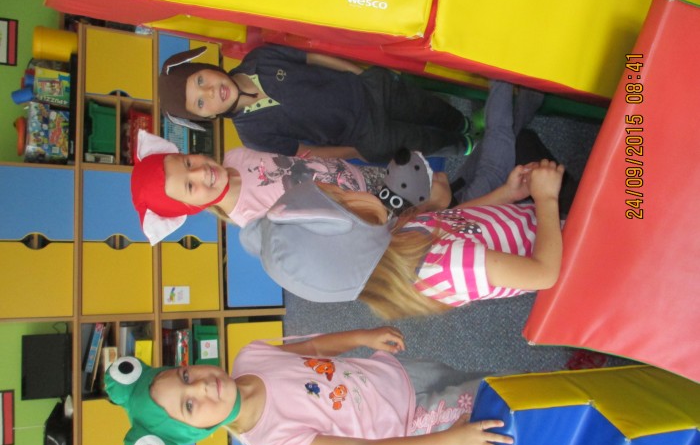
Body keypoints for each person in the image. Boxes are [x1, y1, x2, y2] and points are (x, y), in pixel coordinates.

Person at [240, 85, 565, 319]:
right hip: (559, 248)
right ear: (351, 238)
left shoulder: (397, 236)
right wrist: (546, 198)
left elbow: (458, 220)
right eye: (344, 198)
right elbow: (543, 274)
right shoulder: (445, 267)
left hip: (538, 222)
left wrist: (506, 195)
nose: (351, 190)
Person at [105, 327, 514, 445]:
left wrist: (363, 336)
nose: (200, 386)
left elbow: (314, 349)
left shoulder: (249, 357)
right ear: (194, 432)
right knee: (500, 411)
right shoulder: (276, 444)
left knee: (487, 382)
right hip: (413, 421)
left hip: (397, 374)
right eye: (189, 406)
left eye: (184, 376)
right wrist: (451, 443)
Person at [158, 44, 473, 163]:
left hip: (370, 90)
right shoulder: (252, 135)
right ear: (207, 117)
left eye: (201, 80)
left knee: (425, 106)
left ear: (207, 68)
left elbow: (312, 58)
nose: (211, 92)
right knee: (420, 142)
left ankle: (463, 122)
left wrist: (361, 74)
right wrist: (355, 151)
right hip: (362, 135)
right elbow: (305, 151)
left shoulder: (260, 59)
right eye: (201, 102)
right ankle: (465, 146)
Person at [131, 131, 451, 245]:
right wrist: (420, 207)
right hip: (374, 213)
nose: (201, 171)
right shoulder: (255, 220)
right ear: (191, 208)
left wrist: (353, 152)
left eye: (188, 161)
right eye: (190, 185)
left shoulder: (236, 155)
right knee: (443, 215)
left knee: (433, 182)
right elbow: (332, 231)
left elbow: (302, 159)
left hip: (362, 176)